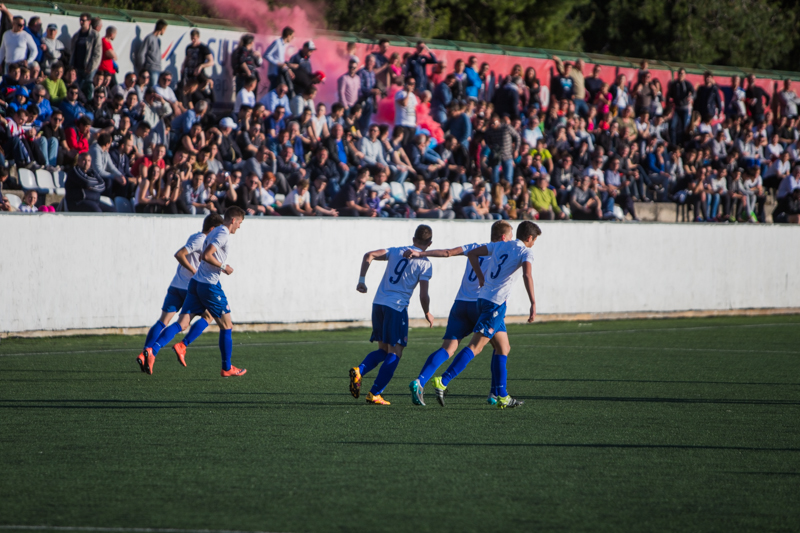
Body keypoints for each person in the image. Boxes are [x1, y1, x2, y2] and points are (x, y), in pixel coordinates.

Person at [425, 220, 538, 408]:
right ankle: (443, 381)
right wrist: (533, 303)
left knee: (503, 347)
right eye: (534, 240)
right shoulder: (526, 251)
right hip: (495, 304)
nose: (534, 244)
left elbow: (473, 253)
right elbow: (527, 275)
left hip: (483, 299)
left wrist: (480, 276)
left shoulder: (500, 244)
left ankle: (499, 394)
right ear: (529, 238)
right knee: (476, 347)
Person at [406, 221, 511, 406]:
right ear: (504, 237)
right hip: (484, 305)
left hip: (461, 304)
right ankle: (495, 394)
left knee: (448, 349)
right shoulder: (503, 251)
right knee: (501, 348)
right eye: (510, 236)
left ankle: (420, 381)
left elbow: (447, 252)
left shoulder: (474, 247)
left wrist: (421, 253)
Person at [144, 206, 248, 377]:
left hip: (196, 282)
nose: (239, 227)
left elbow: (201, 257)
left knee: (182, 323)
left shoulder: (213, 233)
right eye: (240, 223)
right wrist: (224, 267)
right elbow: (206, 255)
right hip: (208, 285)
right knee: (227, 325)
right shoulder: (222, 233)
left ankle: (153, 350)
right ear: (233, 220)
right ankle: (227, 367)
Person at [348, 224, 435, 405]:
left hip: (378, 304)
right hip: (396, 308)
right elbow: (423, 294)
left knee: (383, 350)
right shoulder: (425, 262)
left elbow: (368, 255)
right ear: (430, 243)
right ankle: (375, 393)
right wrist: (427, 312)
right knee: (396, 352)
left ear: (413, 240)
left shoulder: (395, 251)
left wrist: (362, 281)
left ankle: (359, 370)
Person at [135, 214, 223, 372]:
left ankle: (145, 353)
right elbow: (179, 254)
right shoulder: (201, 239)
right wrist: (194, 271)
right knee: (207, 316)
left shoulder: (195, 236)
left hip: (176, 284)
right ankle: (171, 347)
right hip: (189, 288)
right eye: (217, 231)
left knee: (163, 321)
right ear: (212, 229)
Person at [70, 13, 102, 95]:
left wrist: (91, 67)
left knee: (88, 87)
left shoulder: (94, 35)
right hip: (77, 67)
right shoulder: (76, 35)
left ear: (89, 21)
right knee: (77, 88)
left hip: (88, 68)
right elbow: (72, 51)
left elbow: (97, 54)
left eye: (84, 20)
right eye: (80, 20)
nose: (81, 22)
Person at [136, 19, 167, 86]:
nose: (164, 31)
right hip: (150, 67)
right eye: (164, 29)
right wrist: (142, 68)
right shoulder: (149, 38)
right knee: (152, 88)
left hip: (158, 67)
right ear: (161, 29)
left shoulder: (158, 40)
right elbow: (142, 53)